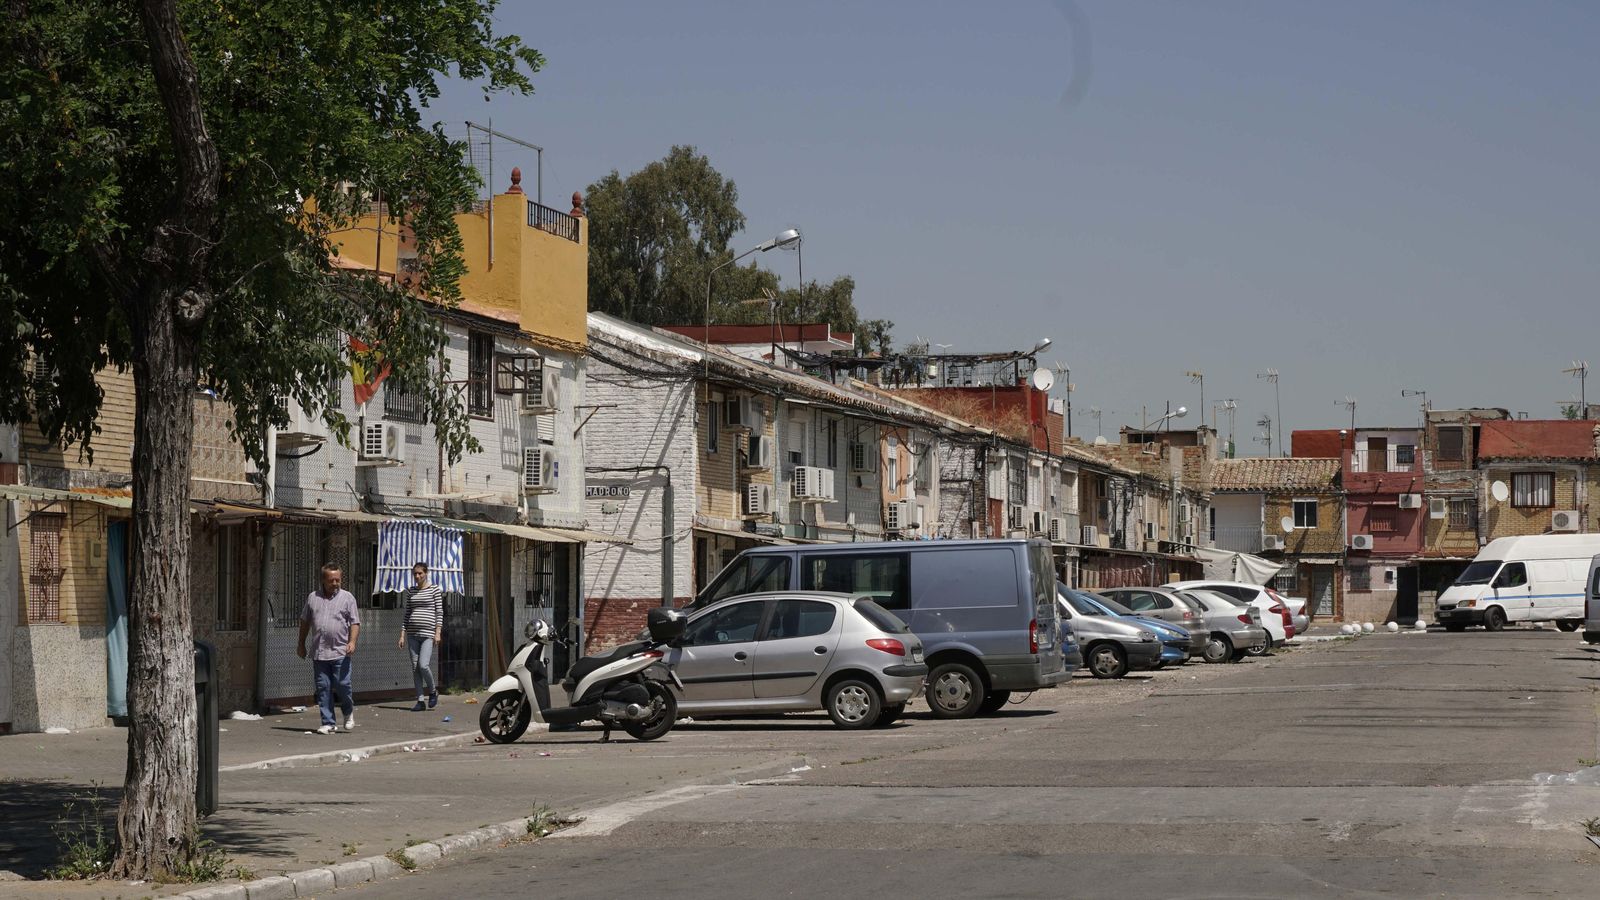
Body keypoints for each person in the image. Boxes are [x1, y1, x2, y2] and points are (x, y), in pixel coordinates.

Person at [297, 563, 361, 735]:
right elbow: (305, 621)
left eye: (337, 580)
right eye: (331, 580)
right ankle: (328, 722)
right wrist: (301, 643)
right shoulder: (313, 598)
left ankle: (348, 711)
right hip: (319, 652)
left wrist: (352, 641)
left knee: (342, 684)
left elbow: (355, 622)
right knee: (323, 687)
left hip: (340, 651)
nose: (335, 583)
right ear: (323, 580)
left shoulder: (347, 598)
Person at [398, 561, 444, 711]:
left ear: (426, 573)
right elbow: (407, 614)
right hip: (412, 634)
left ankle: (432, 691)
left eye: (420, 573)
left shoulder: (434, 590)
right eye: (415, 574)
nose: (417, 576)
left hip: (427, 634)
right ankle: (420, 700)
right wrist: (402, 634)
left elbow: (439, 612)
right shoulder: (411, 591)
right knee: (415, 667)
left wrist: (438, 633)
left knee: (423, 665)